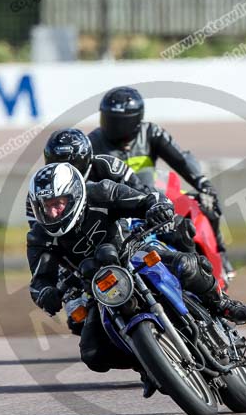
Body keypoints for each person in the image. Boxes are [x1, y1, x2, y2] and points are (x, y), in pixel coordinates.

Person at [26, 162, 246, 396]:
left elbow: (147, 198)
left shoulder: (101, 192)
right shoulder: (39, 237)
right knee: (93, 354)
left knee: (186, 265)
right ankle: (148, 363)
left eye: (57, 204)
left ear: (74, 196)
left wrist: (157, 207)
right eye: (46, 206)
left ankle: (222, 303)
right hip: (99, 286)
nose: (52, 213)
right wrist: (45, 294)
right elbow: (39, 280)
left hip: (132, 252)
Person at [88, 86, 236, 278]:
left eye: (118, 121)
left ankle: (220, 258)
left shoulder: (150, 131)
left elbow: (182, 158)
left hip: (158, 199)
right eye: (107, 118)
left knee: (206, 202)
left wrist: (202, 182)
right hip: (119, 209)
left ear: (134, 119)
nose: (111, 125)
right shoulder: (91, 143)